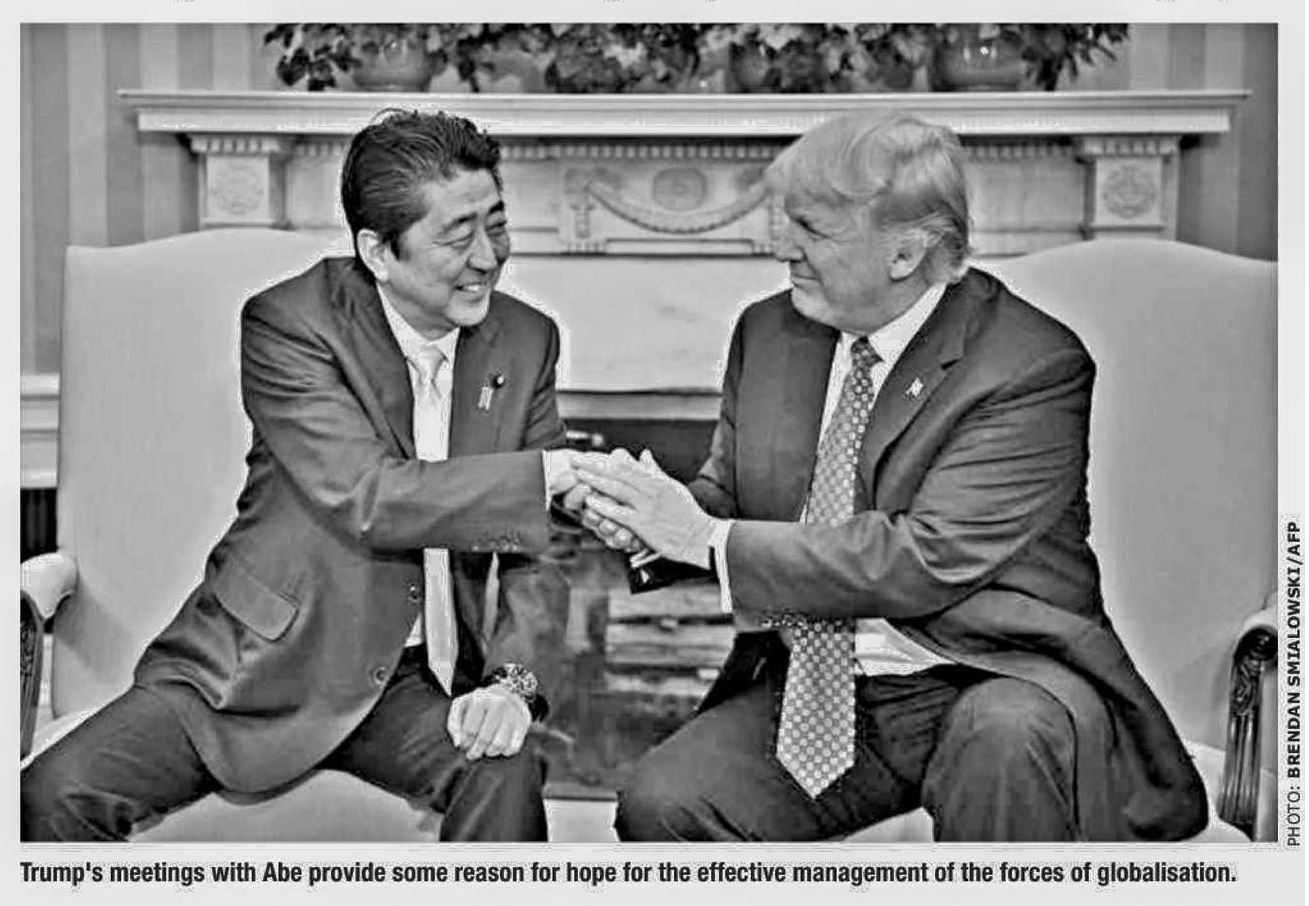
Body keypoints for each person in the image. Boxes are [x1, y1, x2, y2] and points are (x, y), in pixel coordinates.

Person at [574, 112, 1208, 842]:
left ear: (905, 253)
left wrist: (702, 538)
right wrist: (634, 513)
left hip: (990, 670)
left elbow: (925, 558)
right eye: (787, 221)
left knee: (1005, 738)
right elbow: (727, 501)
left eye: (812, 230)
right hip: (821, 688)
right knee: (664, 802)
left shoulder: (1028, 364)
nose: (783, 247)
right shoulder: (768, 331)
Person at [22, 109, 600, 842]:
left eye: (497, 224)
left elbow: (536, 551)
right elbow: (367, 495)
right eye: (458, 237)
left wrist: (511, 684)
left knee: (504, 769)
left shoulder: (525, 338)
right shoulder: (290, 325)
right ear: (377, 251)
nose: (489, 257)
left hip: (410, 681)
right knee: (54, 794)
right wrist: (549, 475)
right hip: (255, 668)